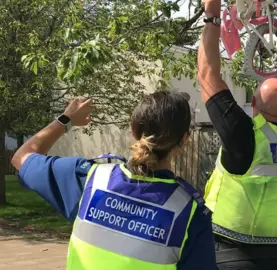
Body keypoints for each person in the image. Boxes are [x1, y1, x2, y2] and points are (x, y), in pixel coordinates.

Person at [11, 92, 217, 270]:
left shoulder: (90, 180)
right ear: (184, 139)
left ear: (132, 129)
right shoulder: (191, 213)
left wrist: (67, 119)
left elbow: (22, 157)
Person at [197, 0, 277, 268]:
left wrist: (212, 15)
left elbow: (207, 74)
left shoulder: (243, 136)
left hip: (229, 256)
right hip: (275, 259)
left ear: (254, 104)